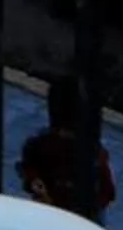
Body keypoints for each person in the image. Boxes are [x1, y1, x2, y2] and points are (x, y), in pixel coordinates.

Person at [17, 75, 117, 221]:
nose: (63, 135)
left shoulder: (93, 158)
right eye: (60, 130)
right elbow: (28, 166)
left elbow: (107, 193)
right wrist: (34, 181)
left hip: (80, 218)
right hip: (49, 212)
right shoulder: (41, 146)